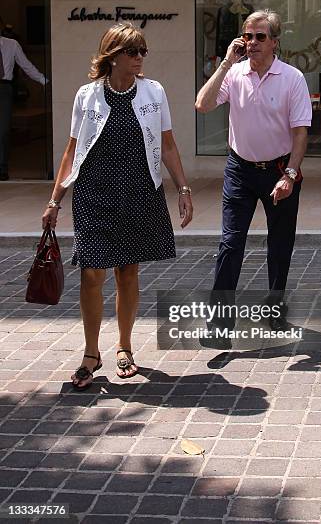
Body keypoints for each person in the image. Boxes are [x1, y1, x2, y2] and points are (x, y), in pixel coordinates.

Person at [42, 23, 193, 390]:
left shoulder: (153, 91)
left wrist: (183, 188)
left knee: (128, 272)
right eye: (132, 52)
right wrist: (55, 199)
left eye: (143, 52)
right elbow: (72, 149)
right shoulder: (87, 95)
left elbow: (168, 145)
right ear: (112, 56)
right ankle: (91, 354)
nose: (140, 58)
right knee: (92, 272)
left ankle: (124, 347)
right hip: (95, 193)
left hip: (140, 192)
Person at [195, 10, 311, 343]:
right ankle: (219, 325)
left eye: (260, 37)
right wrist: (225, 63)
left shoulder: (292, 78)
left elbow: (300, 133)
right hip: (240, 170)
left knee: (279, 245)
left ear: (274, 42)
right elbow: (202, 104)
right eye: (247, 36)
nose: (252, 43)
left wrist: (289, 175)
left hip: (279, 169)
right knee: (230, 243)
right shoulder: (234, 74)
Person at [0, 33, 47, 180]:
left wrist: (43, 80)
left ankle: (2, 168)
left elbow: (26, 65)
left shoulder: (11, 44)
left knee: (3, 130)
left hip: (4, 88)